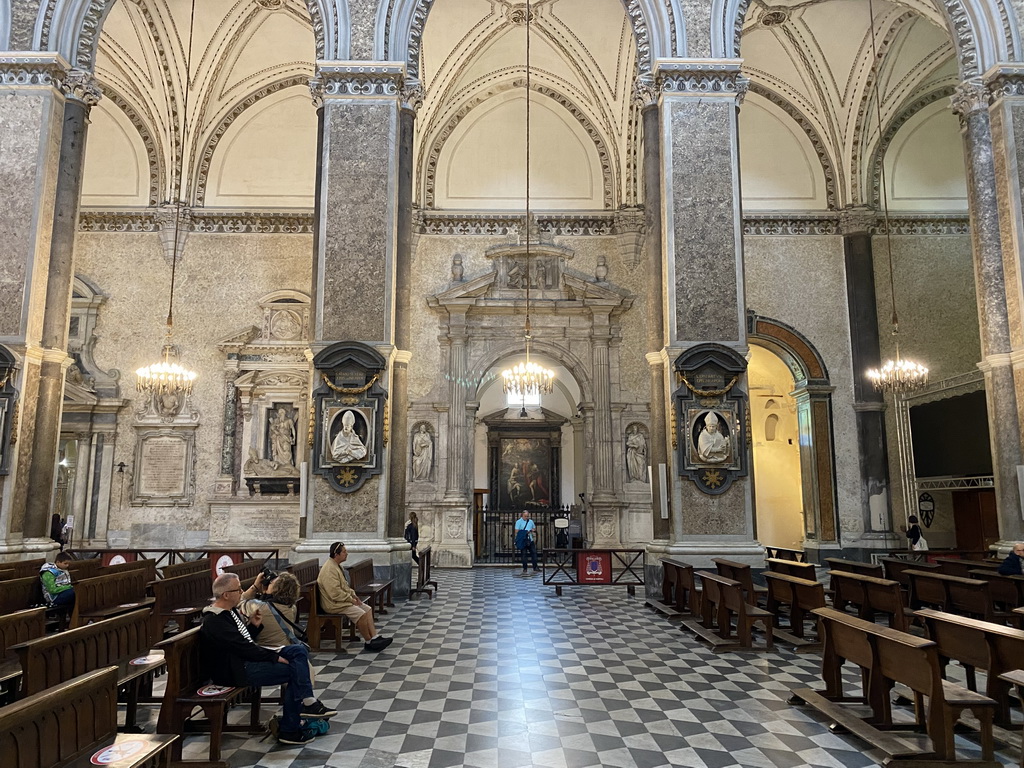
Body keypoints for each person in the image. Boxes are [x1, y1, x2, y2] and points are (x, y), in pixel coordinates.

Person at [199, 572, 336, 746]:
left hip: (244, 661)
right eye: (238, 589)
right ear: (226, 594)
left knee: (298, 651)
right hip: (236, 670)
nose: (241, 592)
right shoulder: (215, 620)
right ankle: (289, 729)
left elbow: (242, 641)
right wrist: (274, 657)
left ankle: (307, 701)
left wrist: (254, 627)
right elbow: (243, 648)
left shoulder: (229, 611)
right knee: (295, 671)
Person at [317, 542, 393, 652]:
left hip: (340, 601)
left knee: (367, 609)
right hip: (333, 604)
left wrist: (353, 595)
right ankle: (368, 642)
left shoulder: (336, 566)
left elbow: (344, 586)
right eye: (344, 552)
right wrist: (350, 599)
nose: (346, 554)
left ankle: (375, 637)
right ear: (336, 554)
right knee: (360, 614)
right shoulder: (329, 569)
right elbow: (334, 593)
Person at [515, 510, 539, 574]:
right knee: (524, 554)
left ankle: (535, 567)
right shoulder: (518, 522)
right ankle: (525, 568)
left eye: (527, 516)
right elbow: (516, 531)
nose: (526, 517)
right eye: (525, 516)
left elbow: (534, 528)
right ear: (522, 515)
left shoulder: (530, 521)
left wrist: (532, 530)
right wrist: (525, 531)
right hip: (523, 540)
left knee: (534, 553)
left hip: (530, 539)